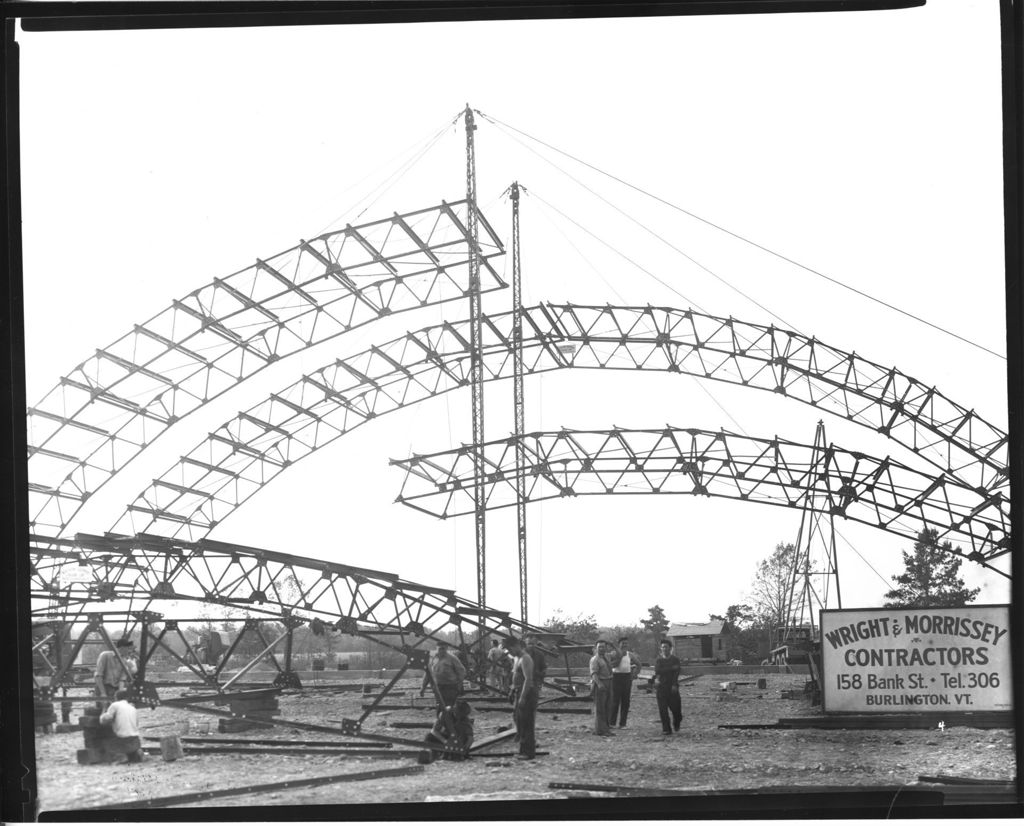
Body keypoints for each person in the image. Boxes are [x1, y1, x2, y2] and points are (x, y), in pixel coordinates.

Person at [502, 636, 538, 760]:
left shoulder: (526, 658)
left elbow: (528, 680)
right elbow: (516, 677)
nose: (509, 652)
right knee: (519, 721)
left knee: (527, 723)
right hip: (519, 692)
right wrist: (512, 691)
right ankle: (523, 750)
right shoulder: (517, 658)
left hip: (527, 694)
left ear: (515, 646)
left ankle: (528, 752)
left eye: (509, 649)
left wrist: (522, 697)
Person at [99, 689, 144, 763]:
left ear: (116, 698)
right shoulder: (132, 708)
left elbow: (103, 721)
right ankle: (136, 752)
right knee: (132, 754)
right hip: (135, 739)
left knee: (105, 742)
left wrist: (104, 709)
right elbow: (136, 724)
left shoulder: (115, 705)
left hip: (122, 739)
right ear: (126, 698)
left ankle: (121, 756)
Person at [607, 637, 641, 728]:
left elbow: (639, 664)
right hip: (616, 678)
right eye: (623, 643)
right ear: (619, 644)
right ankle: (612, 723)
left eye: (626, 643)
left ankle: (623, 724)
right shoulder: (614, 654)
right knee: (615, 700)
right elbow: (609, 665)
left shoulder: (630, 654)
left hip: (627, 678)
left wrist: (634, 674)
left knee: (626, 701)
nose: (625, 645)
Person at [94, 638, 138, 703]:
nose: (130, 652)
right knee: (104, 709)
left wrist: (120, 697)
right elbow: (98, 676)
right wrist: (103, 693)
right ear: (122, 648)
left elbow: (122, 680)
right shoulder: (105, 655)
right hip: (103, 687)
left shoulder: (125, 661)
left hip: (114, 689)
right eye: (128, 649)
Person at [654, 638, 683, 734]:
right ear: (660, 649)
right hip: (661, 687)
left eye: (666, 647)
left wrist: (674, 684)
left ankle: (677, 722)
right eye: (662, 647)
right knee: (663, 709)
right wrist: (671, 668)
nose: (664, 649)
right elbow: (658, 671)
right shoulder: (659, 660)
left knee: (676, 710)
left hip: (672, 687)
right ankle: (666, 729)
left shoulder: (675, 659)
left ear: (670, 648)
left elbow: (677, 672)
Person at [426, 640, 466, 710]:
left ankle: (448, 720)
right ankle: (441, 720)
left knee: (449, 707)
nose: (442, 651)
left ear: (447, 649)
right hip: (438, 686)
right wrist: (423, 687)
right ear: (436, 648)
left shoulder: (452, 658)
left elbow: (461, 671)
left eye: (443, 649)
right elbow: (428, 672)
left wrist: (459, 685)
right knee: (439, 706)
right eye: (440, 649)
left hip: (450, 687)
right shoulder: (433, 658)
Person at [589, 640, 614, 736]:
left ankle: (606, 729)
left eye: (603, 647)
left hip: (609, 682)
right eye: (600, 647)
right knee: (600, 708)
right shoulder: (594, 659)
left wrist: (613, 646)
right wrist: (599, 684)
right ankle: (600, 730)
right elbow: (594, 674)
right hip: (600, 683)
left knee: (608, 707)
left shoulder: (607, 657)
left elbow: (619, 655)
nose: (602, 649)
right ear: (596, 648)